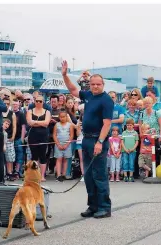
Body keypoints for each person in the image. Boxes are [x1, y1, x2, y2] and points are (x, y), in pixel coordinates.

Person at [61, 59, 113, 219]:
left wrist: (100, 142)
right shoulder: (89, 95)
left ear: (103, 85)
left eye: (98, 84)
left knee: (99, 175)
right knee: (89, 175)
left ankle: (104, 207)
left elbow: (107, 124)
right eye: (93, 84)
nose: (95, 86)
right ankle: (93, 205)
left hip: (98, 140)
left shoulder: (106, 100)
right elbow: (73, 90)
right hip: (86, 139)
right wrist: (65, 75)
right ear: (89, 84)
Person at [26, 95, 51, 181]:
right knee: (34, 156)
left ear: (43, 102)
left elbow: (46, 123)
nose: (38, 103)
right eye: (37, 101)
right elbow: (29, 122)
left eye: (40, 101)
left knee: (43, 155)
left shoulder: (47, 112)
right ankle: (34, 175)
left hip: (43, 136)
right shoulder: (30, 111)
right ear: (35, 102)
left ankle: (42, 175)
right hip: (33, 135)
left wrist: (35, 122)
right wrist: (41, 123)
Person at [54, 110, 74, 181]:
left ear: (66, 117)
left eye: (64, 117)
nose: (62, 118)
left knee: (65, 159)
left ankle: (64, 174)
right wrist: (58, 144)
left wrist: (67, 144)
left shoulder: (70, 125)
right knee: (59, 159)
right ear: (59, 117)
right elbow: (54, 135)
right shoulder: (57, 125)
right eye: (61, 117)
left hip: (67, 144)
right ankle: (59, 175)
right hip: (58, 144)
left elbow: (71, 135)